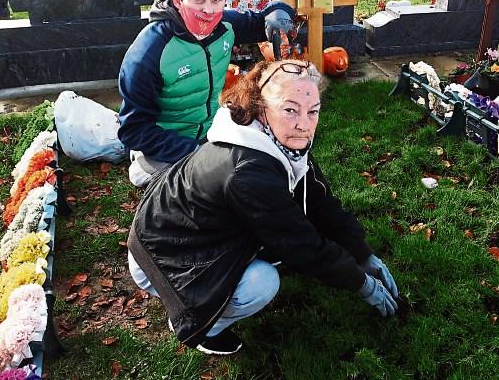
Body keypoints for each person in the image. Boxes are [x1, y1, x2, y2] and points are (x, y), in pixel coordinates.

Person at [127, 60, 399, 355]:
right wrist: (362, 284)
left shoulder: (273, 139)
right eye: (290, 109)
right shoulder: (248, 172)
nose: (304, 124)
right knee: (262, 283)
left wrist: (363, 253)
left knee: (274, 248)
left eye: (313, 111)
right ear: (261, 108)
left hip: (185, 232)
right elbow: (302, 246)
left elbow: (320, 200)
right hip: (162, 258)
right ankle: (201, 324)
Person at [117, 0, 296, 187]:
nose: (208, 9)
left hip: (215, 131)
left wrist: (279, 12)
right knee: (210, 187)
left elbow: (265, 19)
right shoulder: (149, 51)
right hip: (167, 146)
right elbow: (134, 129)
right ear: (177, 0)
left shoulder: (225, 24)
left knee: (262, 164)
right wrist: (196, 152)